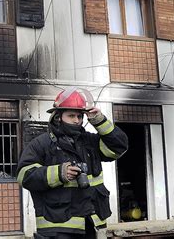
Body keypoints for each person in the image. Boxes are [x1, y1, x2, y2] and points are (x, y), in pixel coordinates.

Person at [17, 87, 128, 239]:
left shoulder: (90, 141)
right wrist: (59, 173)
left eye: (79, 116)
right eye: (71, 116)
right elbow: (25, 175)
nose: (77, 120)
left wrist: (99, 121)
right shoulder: (41, 144)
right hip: (57, 227)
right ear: (58, 117)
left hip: (91, 224)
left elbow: (119, 147)